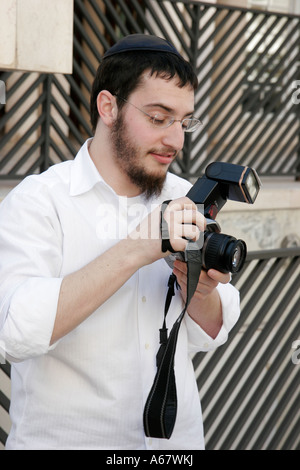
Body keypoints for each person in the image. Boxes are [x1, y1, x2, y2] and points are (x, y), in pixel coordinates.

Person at [0, 34, 240, 450]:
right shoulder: (39, 201)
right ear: (108, 107)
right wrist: (137, 249)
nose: (177, 140)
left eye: (184, 121)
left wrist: (200, 289)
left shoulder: (187, 198)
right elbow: (14, 332)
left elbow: (212, 331)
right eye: (158, 117)